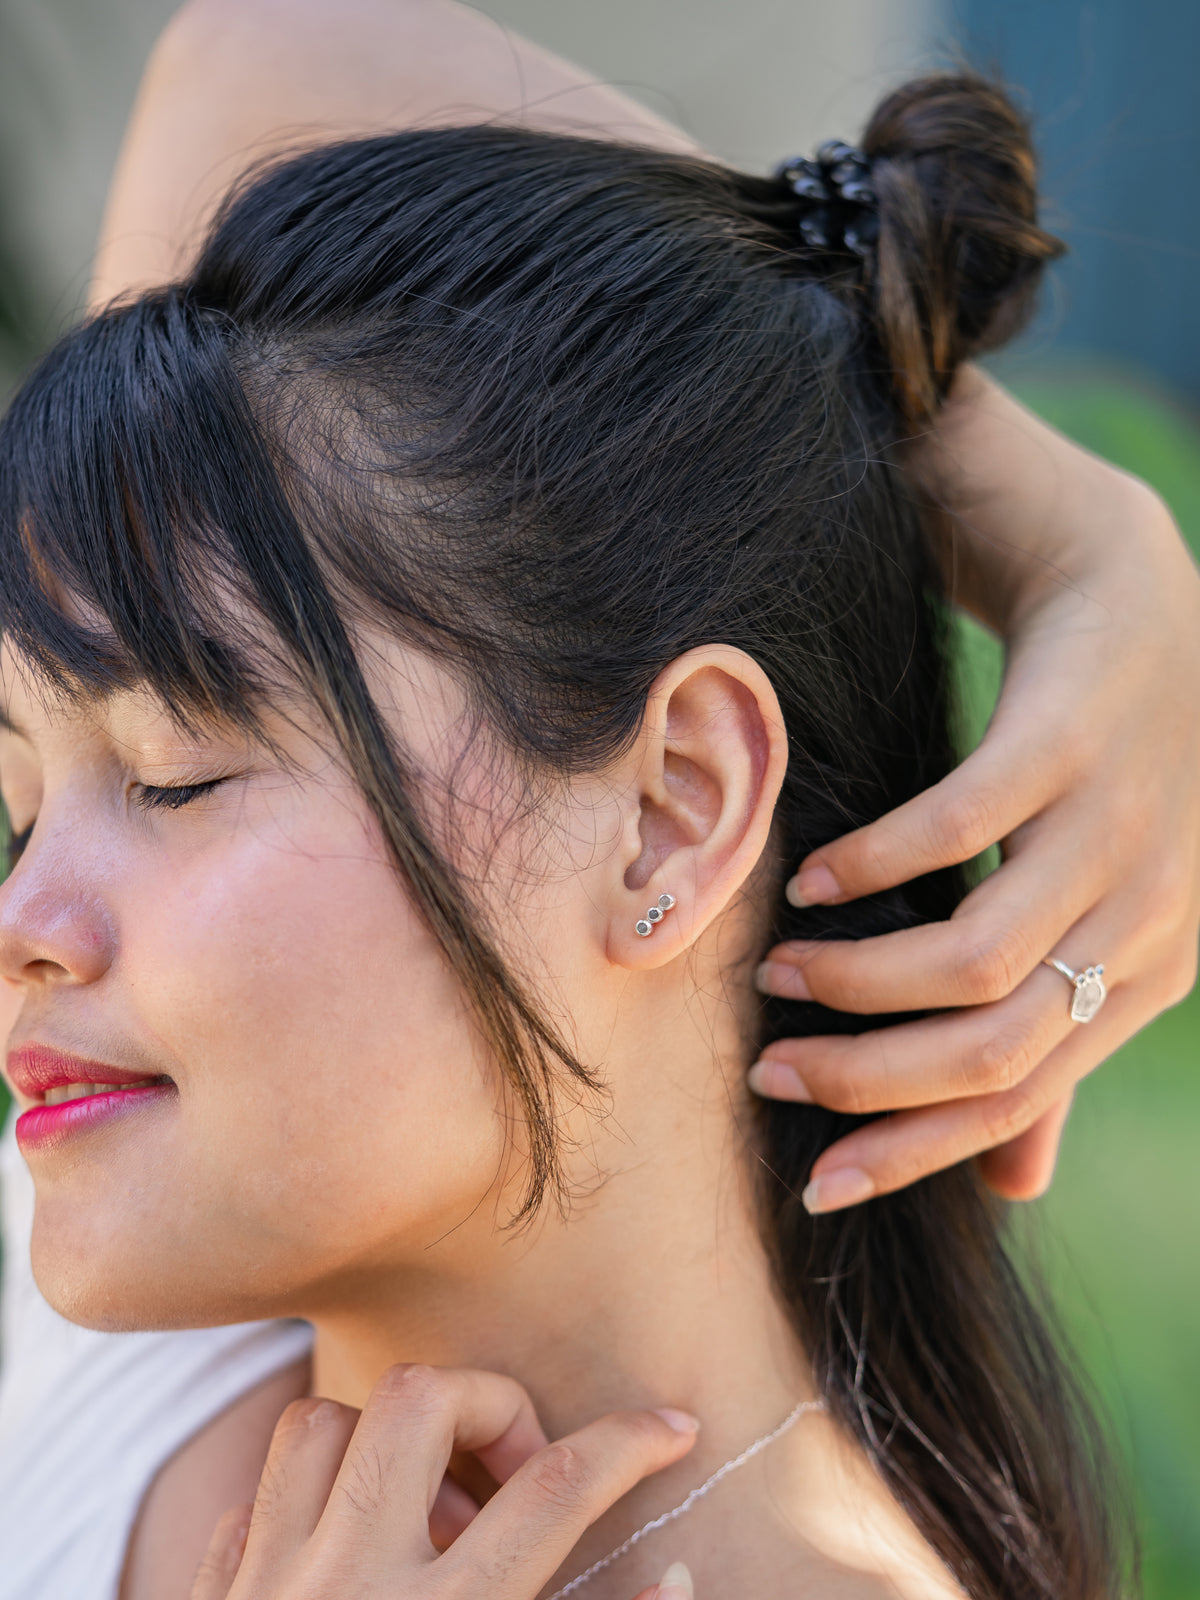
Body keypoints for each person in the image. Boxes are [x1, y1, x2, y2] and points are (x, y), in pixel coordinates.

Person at [0, 5, 1197, 1600]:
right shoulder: (163, 1282)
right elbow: (263, 53)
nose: (24, 924)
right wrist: (1071, 537)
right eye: (20, 798)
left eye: (173, 774)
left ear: (671, 812)